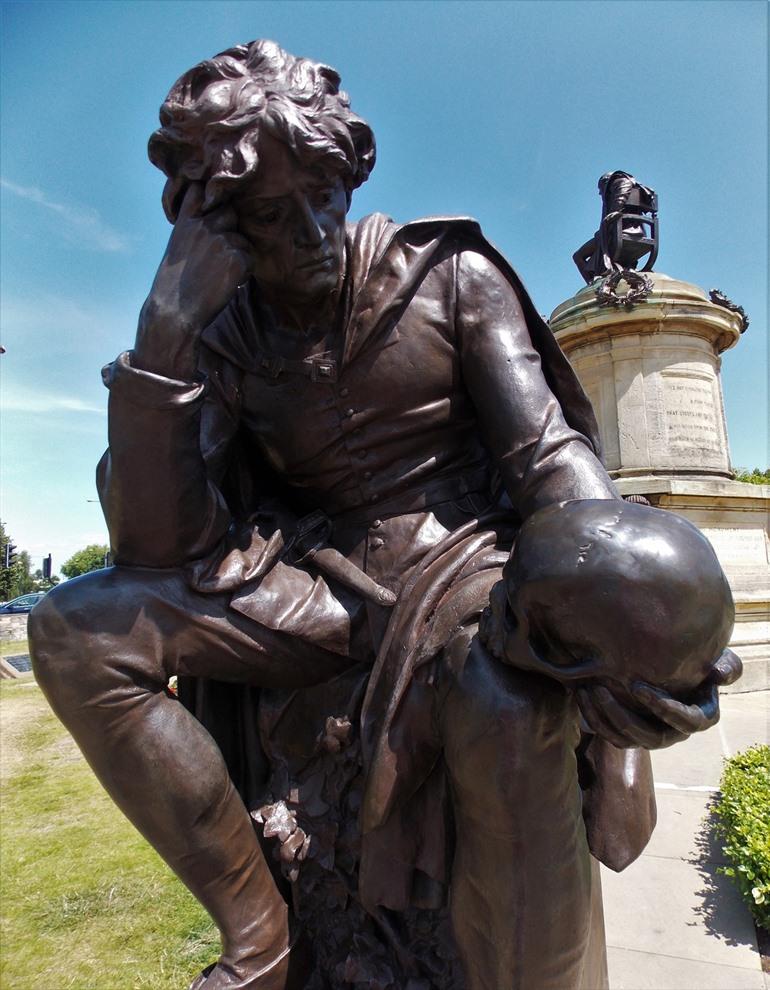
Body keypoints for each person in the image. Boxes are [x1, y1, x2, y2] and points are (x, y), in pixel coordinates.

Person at [29, 41, 739, 990]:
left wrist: (618, 613)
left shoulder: (450, 273)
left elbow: (545, 457)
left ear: (351, 174)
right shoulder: (222, 335)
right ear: (216, 225)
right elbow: (157, 547)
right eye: (270, 215)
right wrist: (164, 338)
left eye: (323, 195)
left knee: (503, 699)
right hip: (320, 589)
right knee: (76, 630)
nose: (310, 235)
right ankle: (263, 939)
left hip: (471, 568)